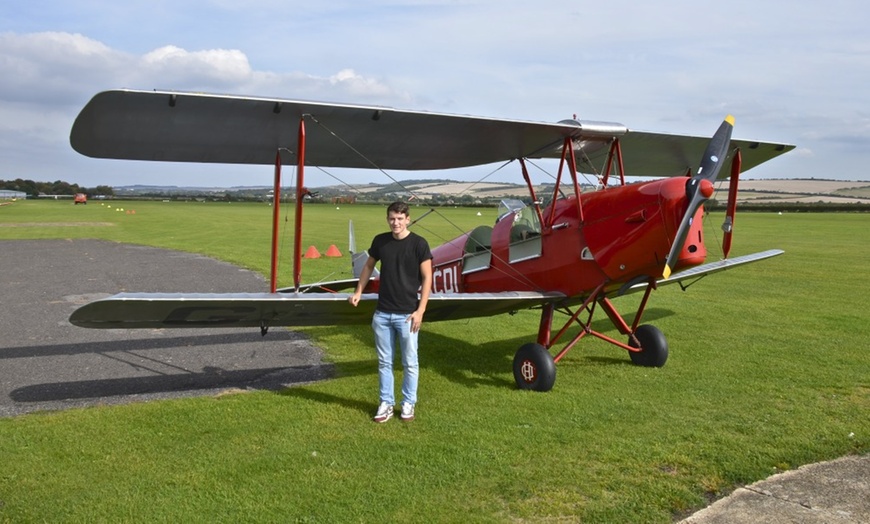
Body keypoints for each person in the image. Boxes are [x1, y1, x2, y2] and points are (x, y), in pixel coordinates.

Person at [349, 201, 433, 423]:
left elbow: (427, 278)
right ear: (388, 219)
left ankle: (408, 403)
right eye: (392, 218)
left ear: (408, 219)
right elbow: (368, 266)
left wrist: (420, 310)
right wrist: (358, 291)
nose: (395, 222)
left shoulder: (419, 244)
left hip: (407, 314)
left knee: (410, 362)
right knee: (385, 362)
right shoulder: (380, 241)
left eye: (399, 218)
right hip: (383, 314)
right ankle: (386, 403)